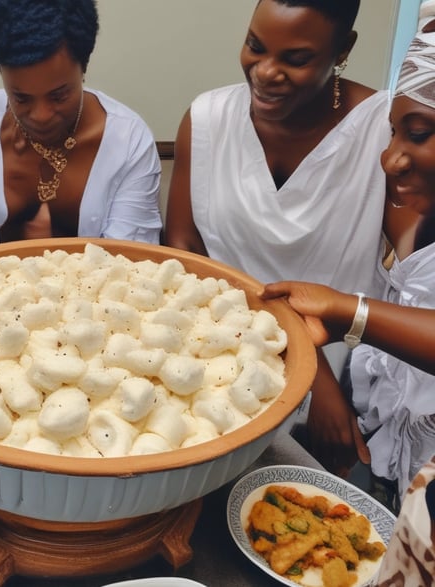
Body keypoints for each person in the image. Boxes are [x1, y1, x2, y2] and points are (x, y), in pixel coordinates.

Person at [164, 0, 409, 478]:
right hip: (219, 370)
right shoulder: (208, 119)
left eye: (295, 59)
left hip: (351, 381)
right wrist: (306, 369)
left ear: (343, 50)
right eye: (255, 46)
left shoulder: (384, 131)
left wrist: (326, 384)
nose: (265, 72)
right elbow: (185, 262)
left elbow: (411, 280)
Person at [262, 3, 435, 504]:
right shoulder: (409, 204)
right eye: (395, 130)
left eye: (419, 135)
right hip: (386, 464)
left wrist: (348, 311)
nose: (390, 157)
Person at [0, 0, 162, 260]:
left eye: (59, 96)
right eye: (21, 98)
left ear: (83, 67)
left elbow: (131, 264)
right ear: (1, 72)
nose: (41, 116)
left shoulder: (129, 141)